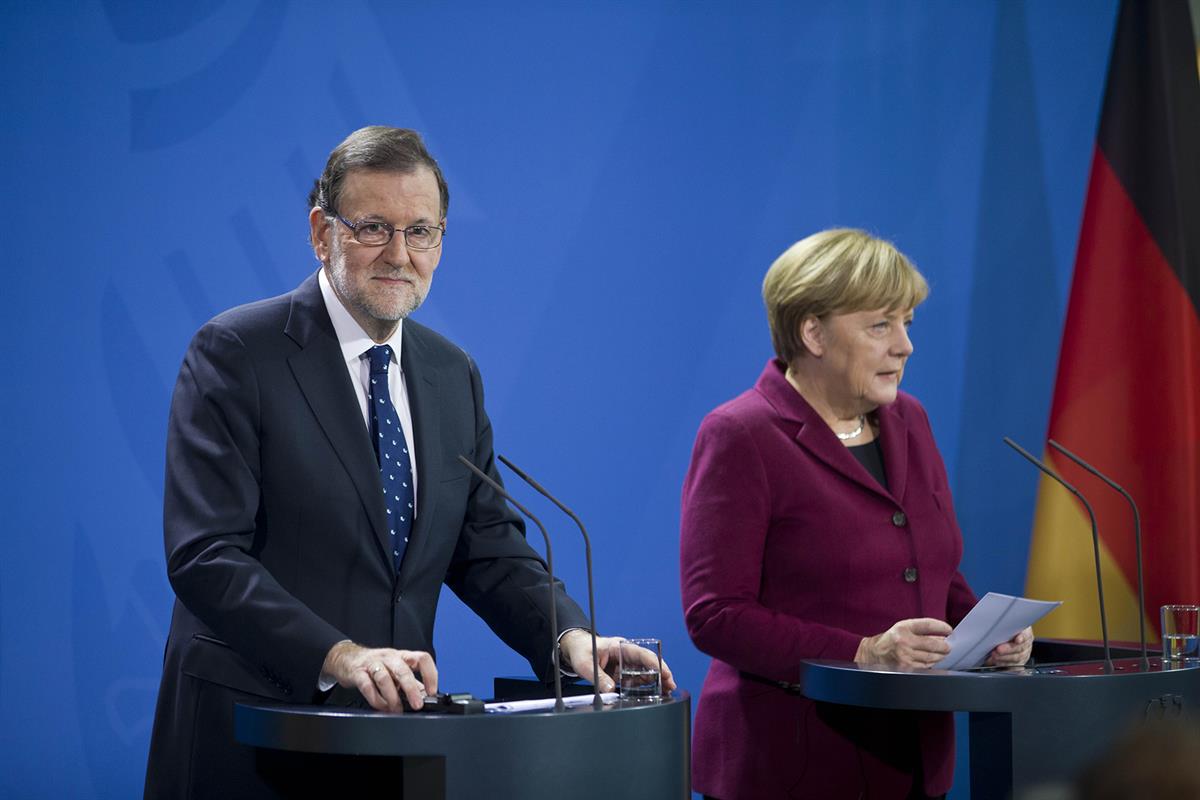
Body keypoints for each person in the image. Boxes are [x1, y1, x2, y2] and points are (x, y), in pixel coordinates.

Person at [144, 126, 672, 798]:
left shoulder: (452, 374)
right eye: (373, 228)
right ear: (320, 232)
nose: (399, 254)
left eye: (420, 231)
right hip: (253, 735)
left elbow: (488, 551)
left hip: (394, 741)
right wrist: (340, 656)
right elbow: (206, 555)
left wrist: (571, 639)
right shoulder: (237, 354)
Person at [679, 229, 1031, 800]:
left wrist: (987, 634)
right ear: (812, 332)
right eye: (880, 325)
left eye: (907, 324)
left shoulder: (909, 421)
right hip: (793, 765)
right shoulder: (741, 435)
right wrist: (862, 653)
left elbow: (932, 572)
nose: (905, 346)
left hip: (915, 761)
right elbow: (715, 613)